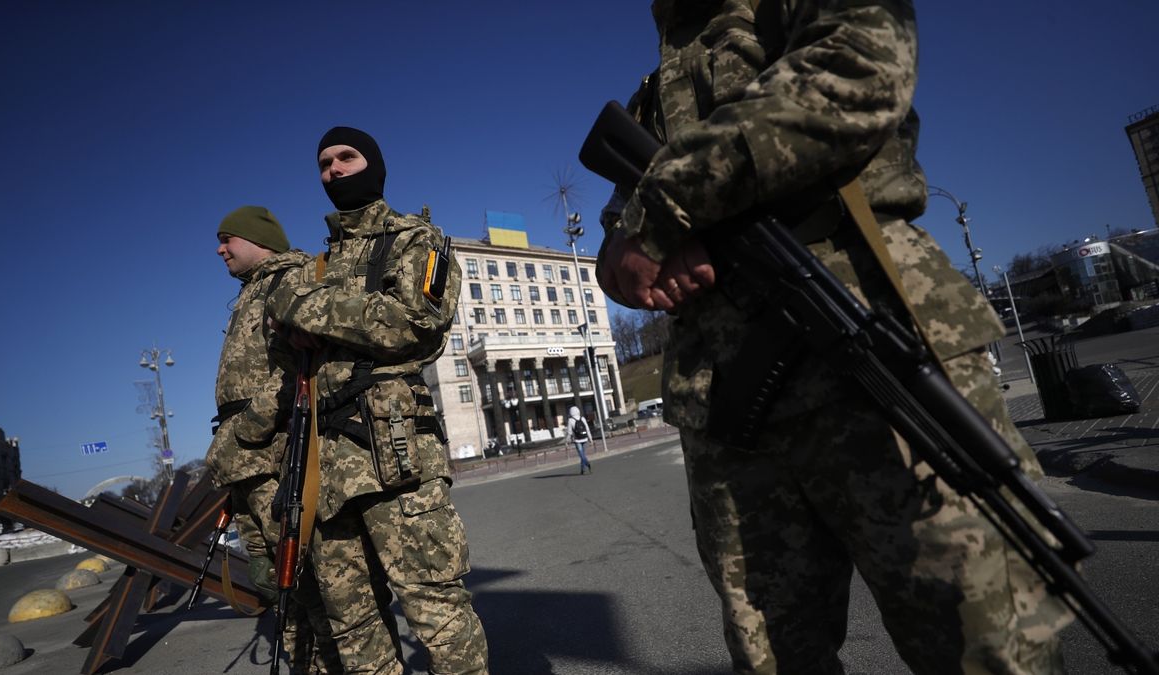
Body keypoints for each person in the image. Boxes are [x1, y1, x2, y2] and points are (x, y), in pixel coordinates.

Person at [595, 2, 1072, 673]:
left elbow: (860, 64)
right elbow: (618, 235)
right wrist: (636, 255)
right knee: (771, 657)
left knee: (988, 645)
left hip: (875, 351)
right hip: (730, 408)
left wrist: (667, 206)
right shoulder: (654, 92)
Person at [265, 126, 488, 674]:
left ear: (375, 165)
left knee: (438, 615)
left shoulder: (417, 240)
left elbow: (415, 322)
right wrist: (291, 322)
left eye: (346, 157)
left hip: (396, 458)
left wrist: (308, 310)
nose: (333, 170)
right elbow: (294, 353)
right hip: (323, 472)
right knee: (354, 630)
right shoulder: (314, 268)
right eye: (323, 164)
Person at [204, 206, 337, 669]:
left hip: (269, 454)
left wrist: (245, 430)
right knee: (273, 582)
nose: (219, 249)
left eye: (228, 239)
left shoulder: (286, 279)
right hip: (244, 457)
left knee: (301, 580)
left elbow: (291, 371)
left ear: (258, 238)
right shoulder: (250, 292)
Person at [565, 406, 593, 475]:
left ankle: (587, 463)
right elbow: (587, 429)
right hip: (585, 438)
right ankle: (582, 469)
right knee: (583, 454)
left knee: (581, 455)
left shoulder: (570, 420)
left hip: (577, 440)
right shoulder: (582, 418)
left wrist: (567, 441)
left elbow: (569, 432)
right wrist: (590, 439)